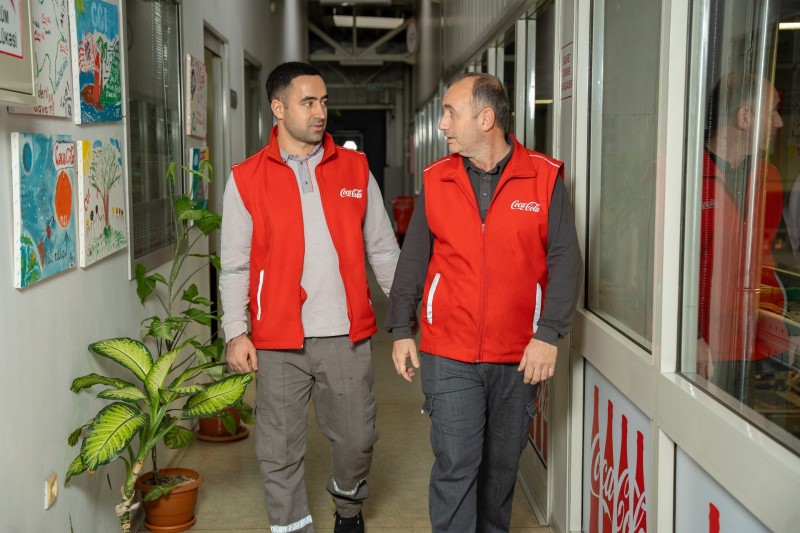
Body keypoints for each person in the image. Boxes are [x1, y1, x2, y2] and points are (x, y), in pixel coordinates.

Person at [385, 72, 582, 532]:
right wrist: (400, 329)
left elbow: (565, 260)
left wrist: (548, 334)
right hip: (448, 351)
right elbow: (414, 259)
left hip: (519, 354)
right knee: (456, 463)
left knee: (500, 469)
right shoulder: (436, 180)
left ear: (486, 118)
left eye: (451, 113)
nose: (442, 125)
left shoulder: (544, 177)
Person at [220, 61, 400, 533]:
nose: (320, 112)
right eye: (308, 102)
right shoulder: (246, 178)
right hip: (277, 338)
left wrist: (404, 317)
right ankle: (292, 528)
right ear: (278, 108)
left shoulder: (355, 169)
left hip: (344, 332)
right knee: (277, 451)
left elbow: (383, 248)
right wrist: (236, 332)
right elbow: (235, 264)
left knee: (358, 438)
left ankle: (348, 505)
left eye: (323, 101)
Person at [697, 72, 788, 402]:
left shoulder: (769, 177)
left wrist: (784, 329)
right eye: (772, 111)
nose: (778, 123)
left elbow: (766, 261)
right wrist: (689, 336)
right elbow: (658, 272)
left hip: (761, 346)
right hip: (704, 352)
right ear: (745, 117)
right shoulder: (682, 176)